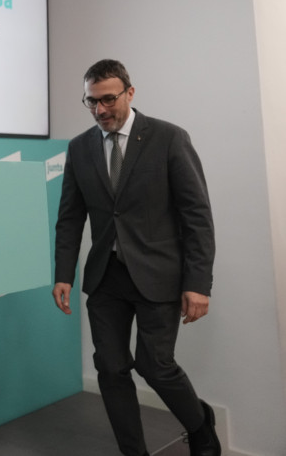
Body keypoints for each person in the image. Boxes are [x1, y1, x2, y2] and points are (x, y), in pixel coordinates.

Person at [52, 59, 220, 456]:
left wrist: (198, 283)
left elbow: (197, 216)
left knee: (155, 365)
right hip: (105, 278)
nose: (100, 110)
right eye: (91, 102)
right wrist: (63, 273)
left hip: (158, 275)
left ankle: (200, 425)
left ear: (130, 92)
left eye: (108, 99)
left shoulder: (168, 138)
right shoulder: (79, 148)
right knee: (110, 368)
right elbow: (70, 217)